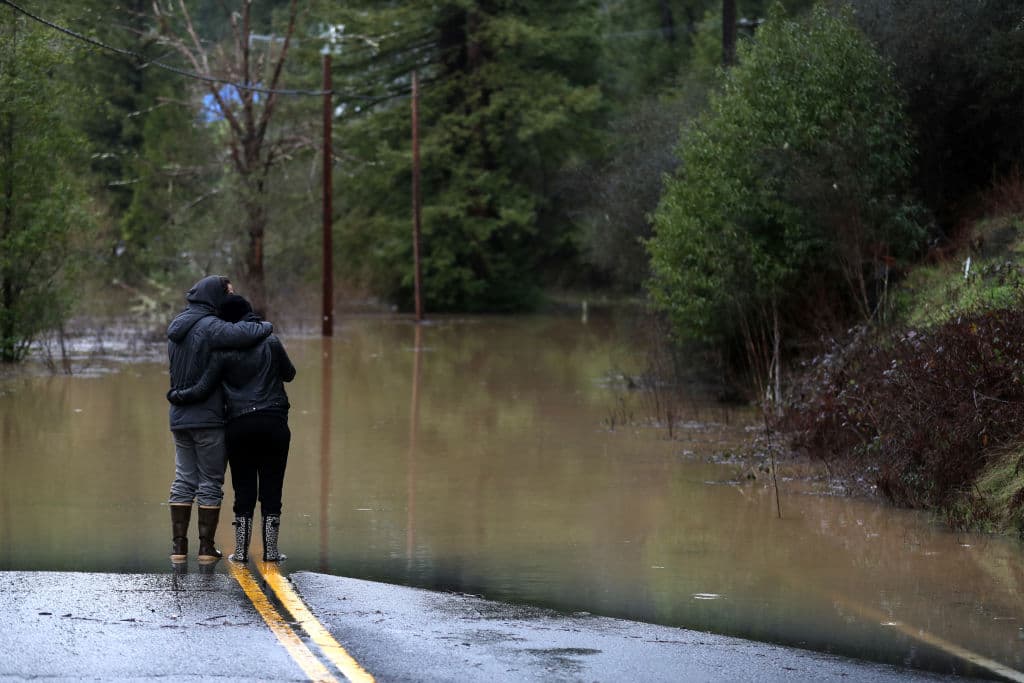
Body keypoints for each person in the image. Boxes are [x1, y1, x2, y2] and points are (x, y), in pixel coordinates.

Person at [168, 294, 296, 563]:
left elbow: (203, 387)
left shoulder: (223, 353)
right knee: (273, 486)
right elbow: (290, 374)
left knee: (244, 487)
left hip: (239, 426)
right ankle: (270, 551)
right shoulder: (271, 342)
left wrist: (178, 395)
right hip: (274, 422)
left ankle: (240, 552)